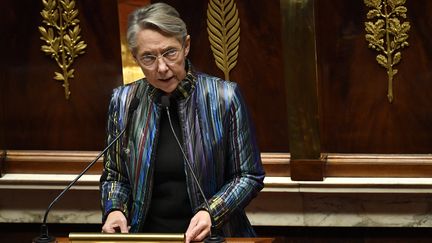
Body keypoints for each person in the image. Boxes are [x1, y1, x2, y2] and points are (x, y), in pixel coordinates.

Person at [100, 2, 265, 242]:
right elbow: (115, 174)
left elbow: (248, 175)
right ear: (135, 58)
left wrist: (211, 212)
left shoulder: (224, 98)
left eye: (170, 53)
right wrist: (115, 208)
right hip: (145, 237)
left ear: (186, 46)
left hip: (213, 236)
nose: (162, 68)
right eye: (148, 57)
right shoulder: (124, 101)